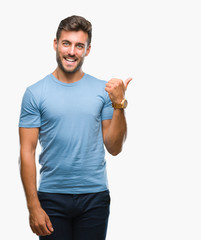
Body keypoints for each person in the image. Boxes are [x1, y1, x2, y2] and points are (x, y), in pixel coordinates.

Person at [19, 15, 132, 240]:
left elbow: (114, 147)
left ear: (88, 50)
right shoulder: (35, 93)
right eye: (66, 43)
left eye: (79, 45)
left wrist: (119, 104)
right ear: (56, 44)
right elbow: (26, 152)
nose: (72, 51)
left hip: (94, 196)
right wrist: (33, 206)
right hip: (52, 196)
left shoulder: (103, 91)